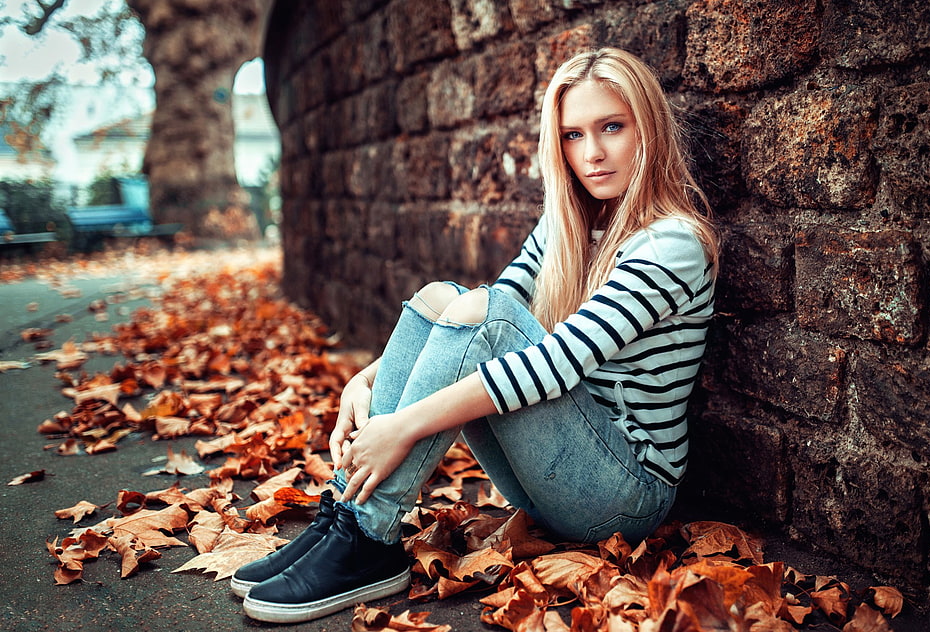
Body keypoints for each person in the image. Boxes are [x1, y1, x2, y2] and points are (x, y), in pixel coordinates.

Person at [232, 47, 720, 624]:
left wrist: (400, 426)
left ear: (649, 128)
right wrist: (363, 380)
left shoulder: (672, 245)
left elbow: (551, 361)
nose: (592, 153)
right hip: (555, 477)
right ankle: (349, 512)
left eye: (612, 127)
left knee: (485, 316)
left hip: (625, 494)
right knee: (444, 297)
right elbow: (477, 308)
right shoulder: (570, 226)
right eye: (572, 135)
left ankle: (368, 533)